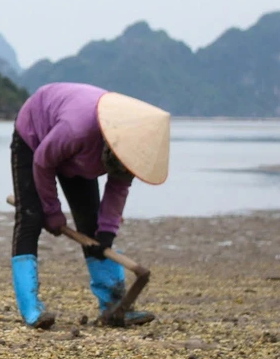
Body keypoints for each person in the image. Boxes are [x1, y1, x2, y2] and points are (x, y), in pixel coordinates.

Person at [9, 82, 169, 328]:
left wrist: (107, 231)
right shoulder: (77, 130)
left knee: (93, 229)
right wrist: (52, 211)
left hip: (79, 155)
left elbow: (118, 187)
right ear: (109, 146)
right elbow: (42, 161)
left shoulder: (130, 147)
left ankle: (113, 305)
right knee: (31, 218)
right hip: (36, 137)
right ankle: (31, 309)